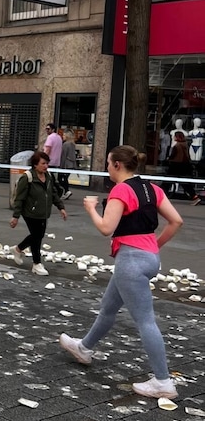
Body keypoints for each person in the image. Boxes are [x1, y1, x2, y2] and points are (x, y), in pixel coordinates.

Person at [59, 145, 184, 400]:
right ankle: (84, 347)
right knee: (108, 307)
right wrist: (155, 246)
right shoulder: (152, 188)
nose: (106, 168)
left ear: (117, 165)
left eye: (108, 163)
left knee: (145, 321)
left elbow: (106, 228)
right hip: (148, 257)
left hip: (131, 261)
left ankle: (163, 381)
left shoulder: (121, 190)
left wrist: (91, 208)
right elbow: (176, 221)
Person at [10, 150, 67, 276]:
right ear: (35, 165)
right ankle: (36, 263)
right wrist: (15, 216)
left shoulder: (49, 176)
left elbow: (53, 193)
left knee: (38, 235)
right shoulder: (27, 177)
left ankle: (18, 249)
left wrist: (61, 207)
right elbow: (20, 198)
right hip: (30, 212)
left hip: (43, 212)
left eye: (47, 163)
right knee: (37, 236)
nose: (46, 166)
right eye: (43, 163)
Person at [166, 130, 190, 197]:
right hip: (184, 164)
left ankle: (163, 192)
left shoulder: (177, 146)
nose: (173, 137)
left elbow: (173, 155)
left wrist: (168, 158)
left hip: (175, 164)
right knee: (183, 181)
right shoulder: (185, 144)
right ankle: (193, 195)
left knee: (168, 179)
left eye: (175, 136)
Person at [59, 130, 77, 199]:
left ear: (67, 136)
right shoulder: (73, 144)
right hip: (71, 165)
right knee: (65, 178)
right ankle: (66, 191)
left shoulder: (65, 144)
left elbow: (63, 156)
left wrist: (61, 166)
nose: (62, 136)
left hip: (66, 165)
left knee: (61, 178)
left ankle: (66, 191)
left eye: (64, 135)